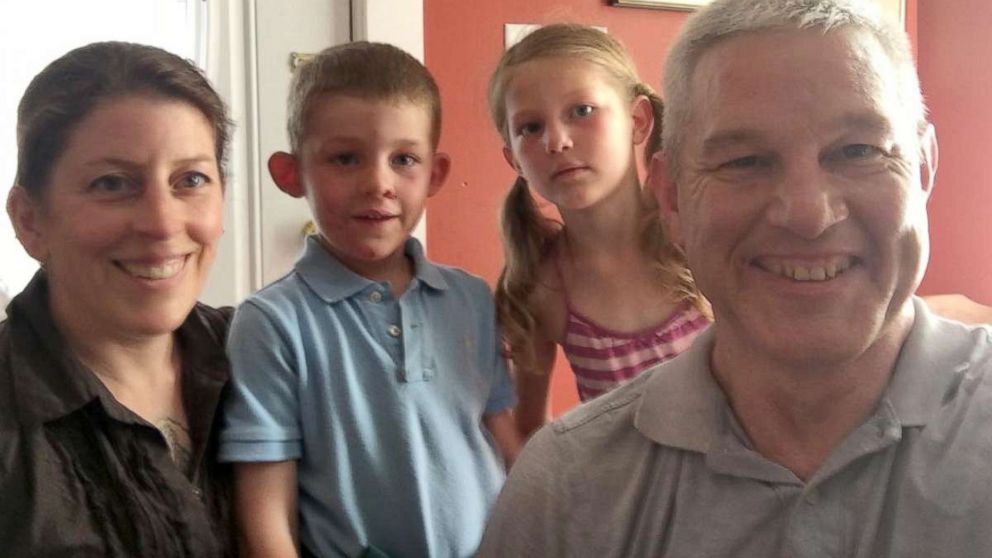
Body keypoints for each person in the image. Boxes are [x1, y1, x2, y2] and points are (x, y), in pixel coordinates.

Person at [479, 1, 992, 555]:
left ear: (922, 167)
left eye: (859, 150)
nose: (807, 213)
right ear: (671, 196)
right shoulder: (562, 495)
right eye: (744, 161)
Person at [219, 42, 520, 558]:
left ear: (434, 174)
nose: (378, 183)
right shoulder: (271, 323)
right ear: (292, 174)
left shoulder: (470, 298)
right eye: (345, 158)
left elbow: (508, 446)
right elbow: (266, 513)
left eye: (403, 159)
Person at [0, 42, 234, 556]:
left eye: (190, 180)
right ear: (30, 221)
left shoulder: (278, 357)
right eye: (112, 183)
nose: (163, 223)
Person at [489, 24, 710, 439]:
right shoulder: (543, 287)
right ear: (514, 159)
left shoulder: (698, 234)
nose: (556, 141)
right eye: (530, 128)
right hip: (630, 501)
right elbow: (530, 434)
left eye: (582, 111)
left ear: (638, 121)